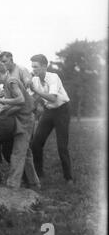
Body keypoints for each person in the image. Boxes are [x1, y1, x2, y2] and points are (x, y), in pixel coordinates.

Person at [0, 62, 40, 190]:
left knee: (17, 153)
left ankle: (13, 185)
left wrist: (0, 101)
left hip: (26, 120)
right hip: (22, 119)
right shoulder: (7, 84)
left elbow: (20, 100)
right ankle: (34, 183)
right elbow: (16, 105)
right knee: (26, 153)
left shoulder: (11, 81)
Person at [30, 54, 73, 184]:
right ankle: (39, 173)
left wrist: (36, 91)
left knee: (62, 146)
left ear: (44, 66)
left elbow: (53, 98)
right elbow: (31, 97)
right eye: (32, 66)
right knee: (36, 143)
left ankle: (68, 178)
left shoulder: (54, 77)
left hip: (62, 110)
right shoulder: (35, 80)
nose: (33, 69)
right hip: (49, 111)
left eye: (36, 67)